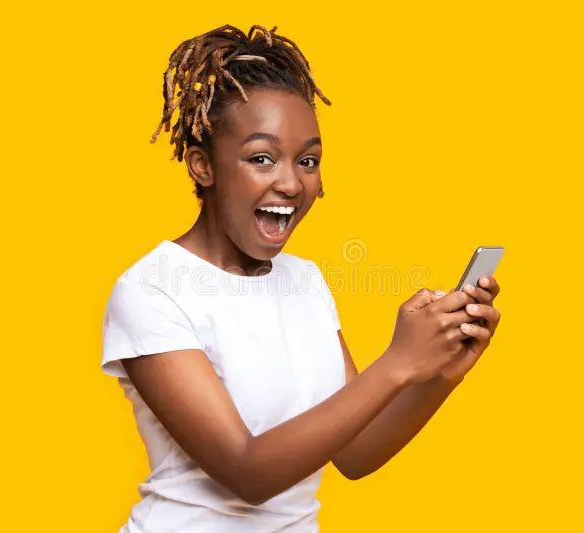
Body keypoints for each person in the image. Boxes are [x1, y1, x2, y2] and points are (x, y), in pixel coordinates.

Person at [101, 24, 502, 533]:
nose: (291, 183)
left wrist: (441, 372)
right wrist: (399, 362)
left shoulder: (304, 280)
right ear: (203, 166)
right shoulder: (152, 289)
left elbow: (356, 451)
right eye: (261, 158)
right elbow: (246, 472)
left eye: (308, 160)